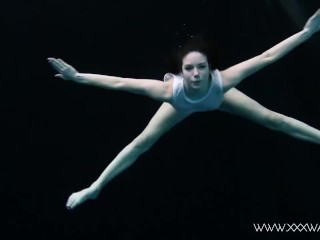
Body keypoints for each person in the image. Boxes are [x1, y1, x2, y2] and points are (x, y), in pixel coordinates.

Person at [48, 9, 320, 210]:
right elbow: (119, 83)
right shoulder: (168, 90)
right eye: (189, 68)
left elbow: (268, 56)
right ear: (180, 72)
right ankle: (95, 187)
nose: (196, 73)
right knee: (141, 142)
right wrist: (78, 77)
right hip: (180, 106)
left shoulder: (223, 80)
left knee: (273, 119)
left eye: (201, 67)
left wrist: (306, 32)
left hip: (220, 97)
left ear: (210, 69)